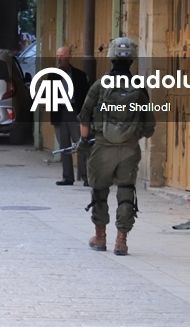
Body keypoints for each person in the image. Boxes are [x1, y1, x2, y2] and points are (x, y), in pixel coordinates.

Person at [77, 37, 155, 256]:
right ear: (132, 60)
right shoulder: (139, 87)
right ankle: (122, 241)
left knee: (99, 190)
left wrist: (84, 142)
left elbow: (84, 116)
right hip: (129, 148)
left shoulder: (100, 85)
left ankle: (100, 237)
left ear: (110, 58)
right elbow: (149, 124)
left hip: (102, 146)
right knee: (126, 190)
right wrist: (135, 134)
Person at [51, 46, 90, 186]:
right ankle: (67, 176)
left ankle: (86, 176)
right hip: (60, 112)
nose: (59, 58)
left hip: (75, 111)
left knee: (80, 144)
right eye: (57, 56)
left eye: (62, 56)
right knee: (64, 145)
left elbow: (86, 96)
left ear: (69, 57)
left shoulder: (79, 75)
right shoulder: (53, 75)